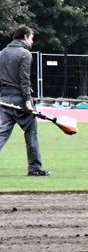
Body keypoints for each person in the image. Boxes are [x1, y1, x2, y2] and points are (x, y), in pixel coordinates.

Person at [0, 25, 49, 176]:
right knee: (31, 133)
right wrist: (28, 100)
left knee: (1, 133)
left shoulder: (1, 53)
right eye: (32, 38)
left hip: (4, 98)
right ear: (25, 36)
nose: (32, 41)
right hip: (20, 99)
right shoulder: (25, 54)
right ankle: (34, 168)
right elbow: (24, 79)